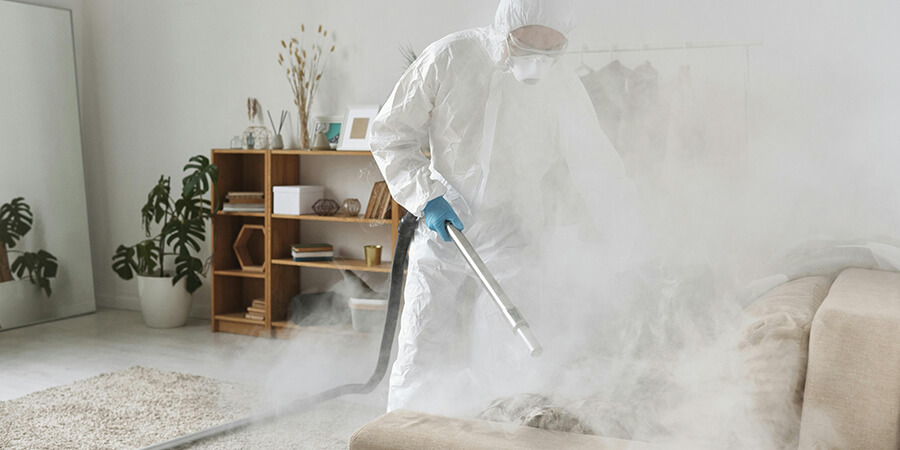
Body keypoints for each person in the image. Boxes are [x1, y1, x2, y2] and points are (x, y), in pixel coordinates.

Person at [370, 0, 641, 414]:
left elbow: (598, 167)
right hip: (446, 228)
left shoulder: (563, 85)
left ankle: (492, 434)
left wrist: (630, 249)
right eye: (529, 45)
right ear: (506, 29)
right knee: (422, 342)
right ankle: (402, 434)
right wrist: (427, 197)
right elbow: (390, 133)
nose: (539, 60)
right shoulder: (449, 58)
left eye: (552, 51)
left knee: (508, 355)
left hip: (513, 232)